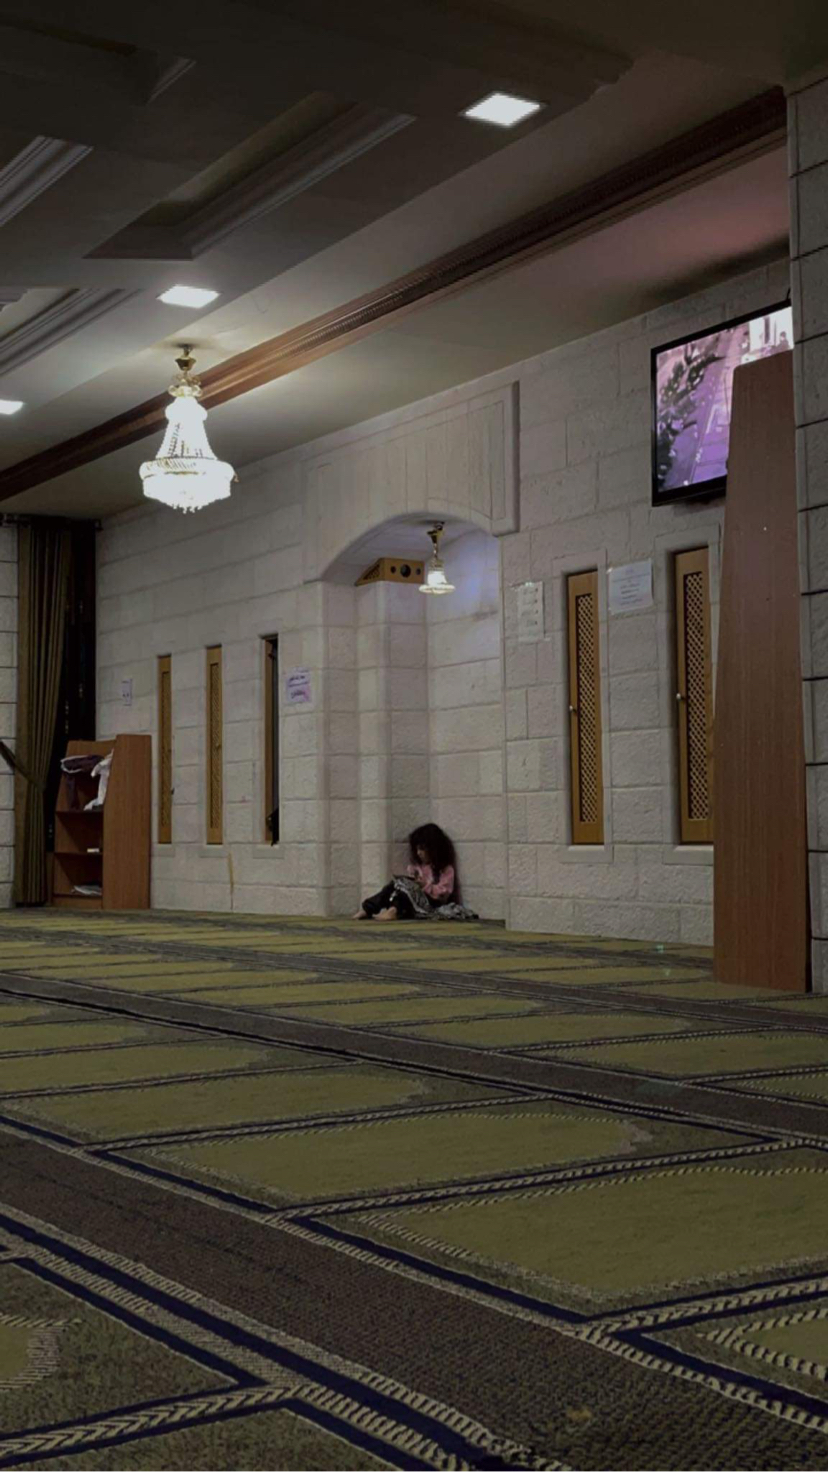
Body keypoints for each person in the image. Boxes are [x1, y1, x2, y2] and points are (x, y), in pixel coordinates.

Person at [354, 823, 476, 921]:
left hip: (432, 905)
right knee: (394, 885)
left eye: (422, 849)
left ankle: (393, 911)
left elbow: (443, 893)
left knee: (403, 885)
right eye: (417, 849)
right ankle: (369, 908)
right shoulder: (418, 866)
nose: (419, 853)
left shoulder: (445, 869)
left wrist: (425, 886)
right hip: (414, 901)